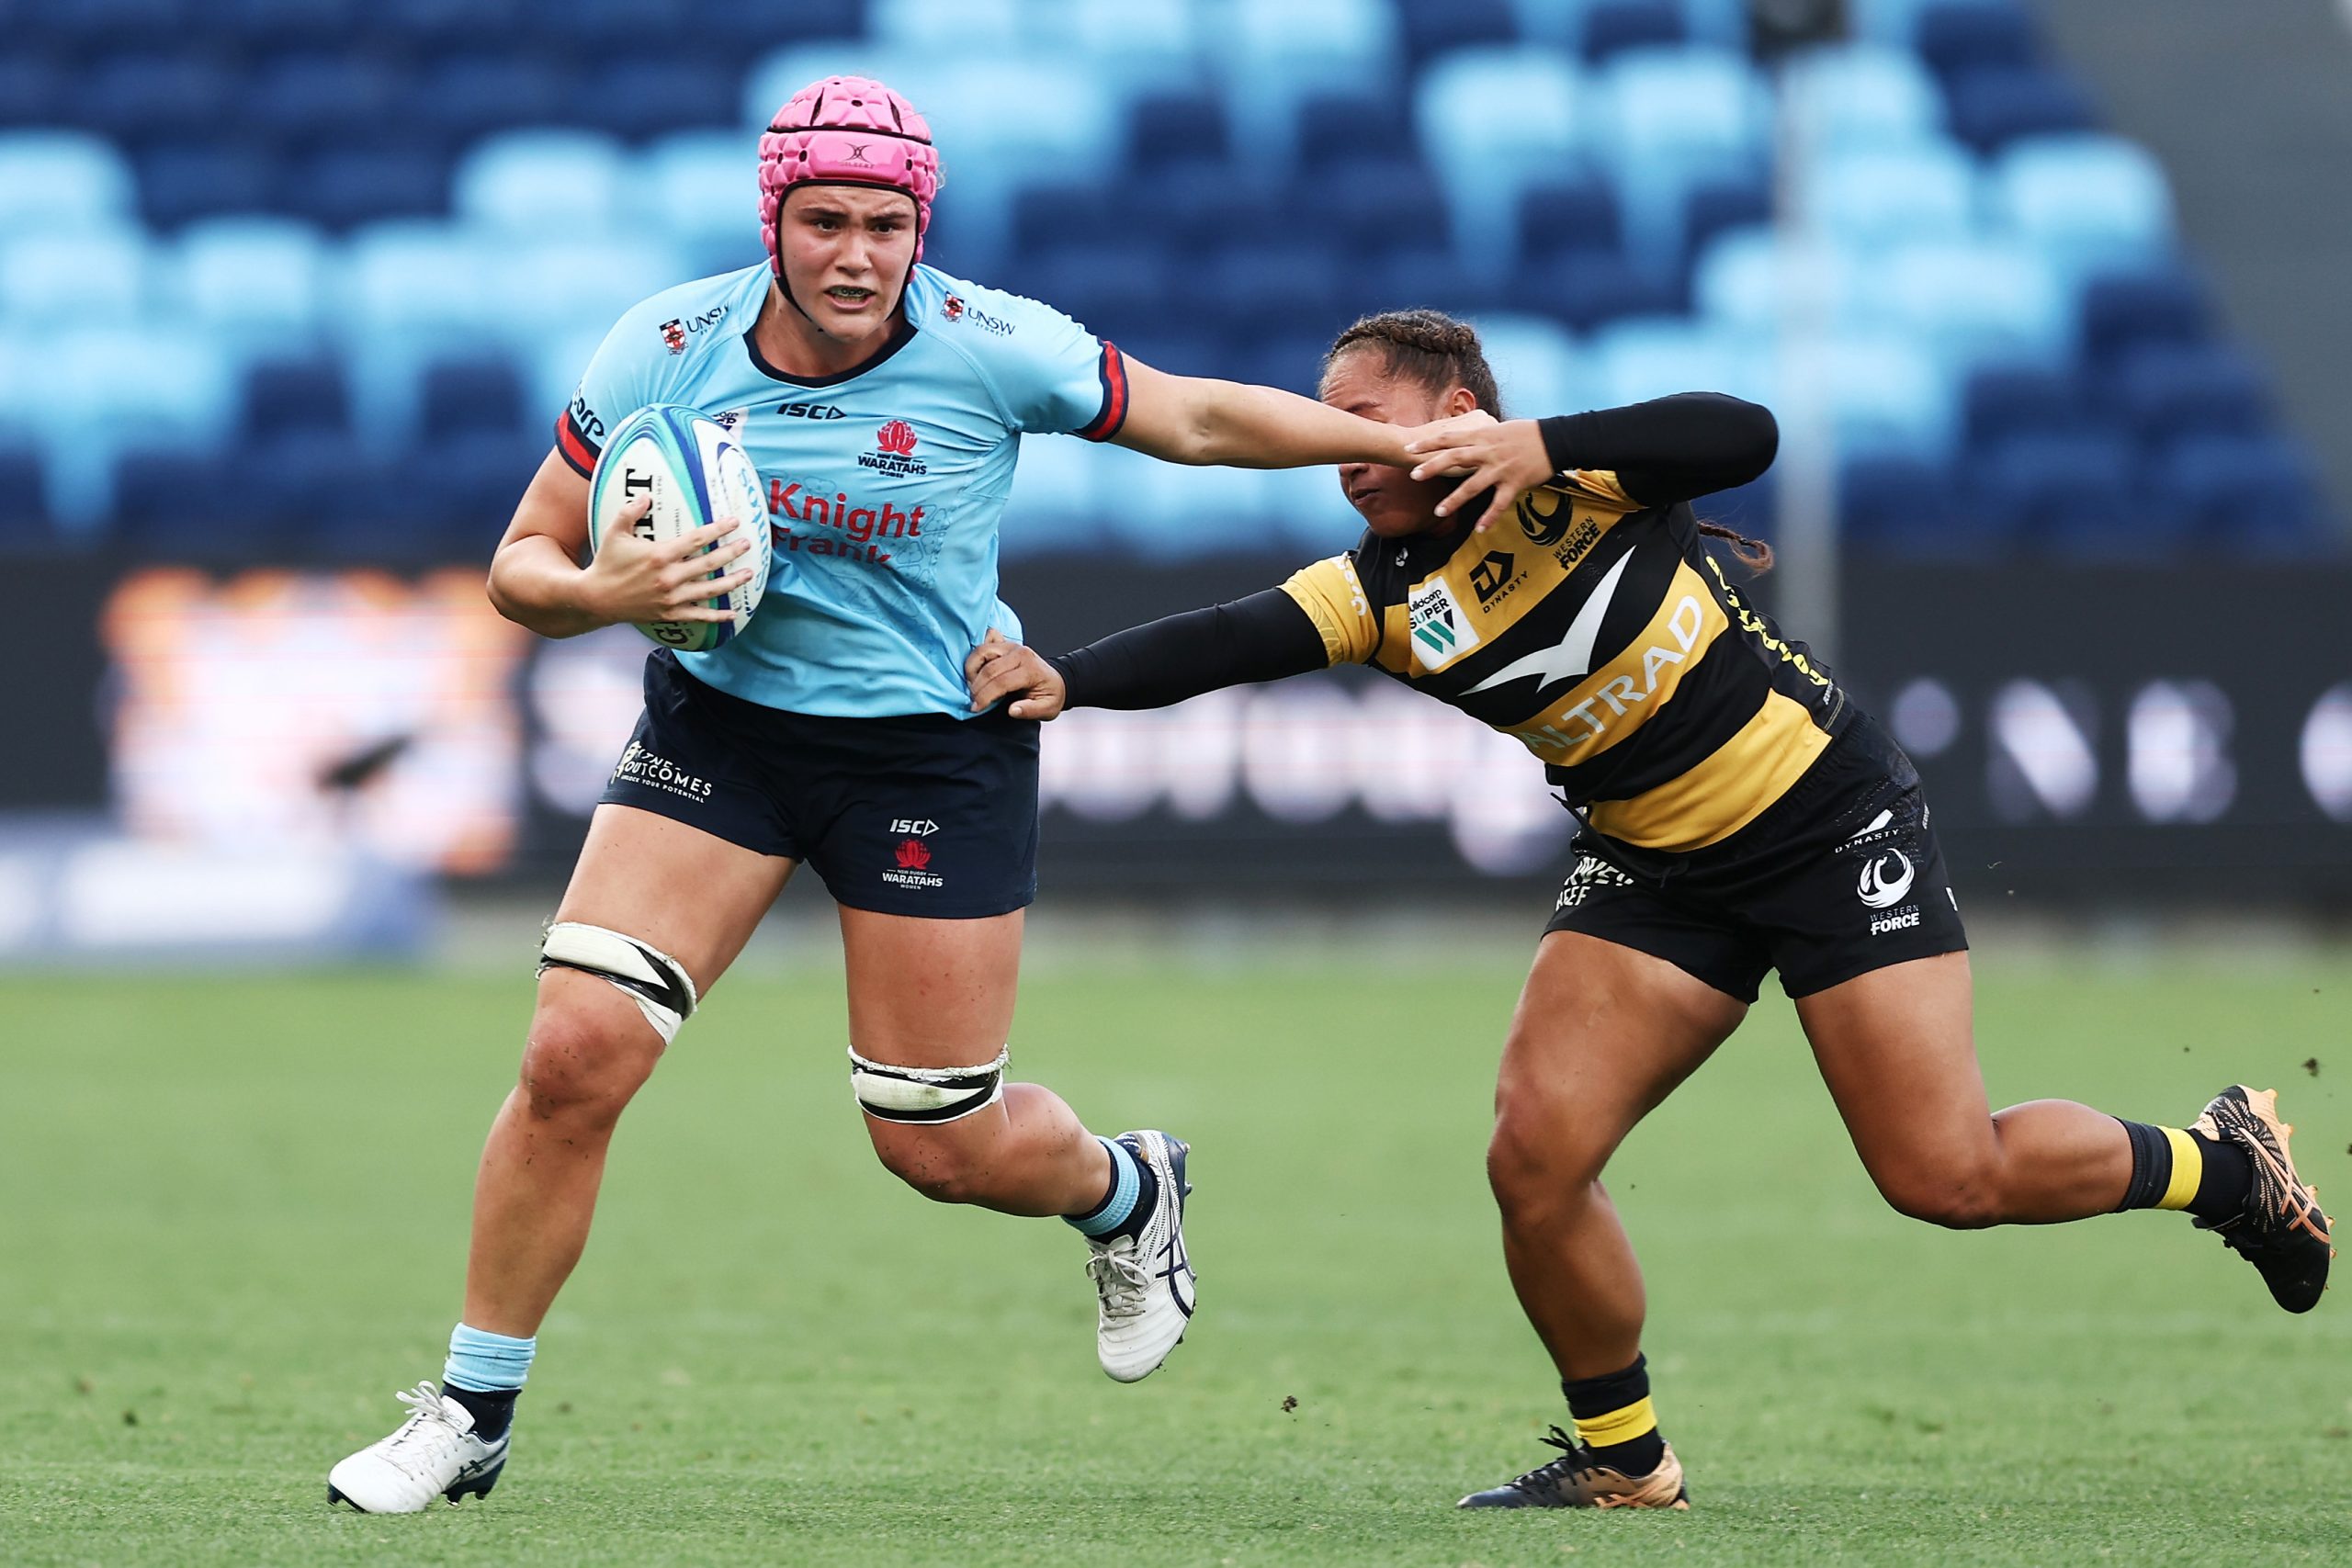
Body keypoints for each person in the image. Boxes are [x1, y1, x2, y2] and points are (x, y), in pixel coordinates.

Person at [964, 308, 2336, 1512]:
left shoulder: (1591, 479)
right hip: (1656, 870)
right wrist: (1066, 677)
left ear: (1460, 415)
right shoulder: (1375, 595)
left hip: (1826, 823)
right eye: (1328, 428)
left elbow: (1742, 431)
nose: (1341, 448)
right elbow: (1221, 641)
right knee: (1534, 1159)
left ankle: (2222, 1162)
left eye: (1365, 419)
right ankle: (1624, 1462)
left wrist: (1544, 442)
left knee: (1944, 1177)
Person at [326, 77, 1430, 1514]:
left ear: (924, 231)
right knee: (573, 1055)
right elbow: (518, 565)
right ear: (772, 220)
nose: (856, 255)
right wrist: (605, 590)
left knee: (936, 1143)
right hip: (721, 735)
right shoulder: (664, 346)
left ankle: (1124, 1191)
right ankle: (471, 1410)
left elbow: (1200, 419)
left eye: (887, 225)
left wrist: (1410, 447)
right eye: (826, 220)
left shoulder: (997, 343)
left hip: (929, 749)